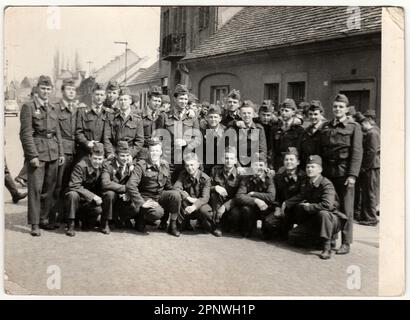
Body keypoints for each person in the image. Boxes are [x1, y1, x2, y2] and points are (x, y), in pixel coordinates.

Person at [19, 75, 65, 236]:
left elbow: (57, 131)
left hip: (52, 152)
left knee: (49, 189)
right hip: (37, 153)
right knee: (35, 190)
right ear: (37, 88)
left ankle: (44, 219)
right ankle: (34, 223)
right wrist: (32, 155)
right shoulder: (28, 107)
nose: (45, 91)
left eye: (48, 89)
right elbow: (25, 134)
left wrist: (60, 152)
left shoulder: (53, 107)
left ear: (51, 90)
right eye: (43, 88)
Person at [320, 94, 363, 254]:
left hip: (345, 174)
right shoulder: (327, 126)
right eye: (335, 107)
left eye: (340, 107)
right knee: (330, 206)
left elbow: (357, 153)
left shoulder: (354, 127)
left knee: (346, 208)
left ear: (346, 109)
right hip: (329, 173)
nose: (337, 109)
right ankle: (331, 238)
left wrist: (352, 175)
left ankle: (346, 242)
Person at [283, 155, 346, 260]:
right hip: (316, 220)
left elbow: (328, 205)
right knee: (293, 237)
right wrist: (286, 203)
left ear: (320, 169)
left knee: (323, 213)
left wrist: (309, 206)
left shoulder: (326, 184)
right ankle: (321, 239)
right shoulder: (307, 182)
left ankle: (327, 247)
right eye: (308, 167)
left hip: (332, 219)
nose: (309, 169)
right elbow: (301, 196)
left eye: (313, 167)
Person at [126, 139, 182, 236]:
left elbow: (168, 186)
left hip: (159, 195)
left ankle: (172, 225)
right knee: (157, 213)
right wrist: (142, 203)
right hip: (146, 197)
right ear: (148, 152)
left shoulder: (165, 165)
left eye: (157, 151)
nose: (154, 153)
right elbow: (131, 185)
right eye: (152, 151)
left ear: (161, 152)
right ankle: (141, 217)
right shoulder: (141, 165)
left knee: (175, 195)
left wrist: (178, 192)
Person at [50, 78, 80, 226]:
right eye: (68, 90)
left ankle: (64, 214)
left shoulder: (77, 109)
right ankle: (52, 216)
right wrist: (61, 152)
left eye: (73, 90)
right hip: (62, 150)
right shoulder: (55, 108)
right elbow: (56, 132)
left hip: (75, 151)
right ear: (62, 92)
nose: (71, 92)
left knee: (70, 183)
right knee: (58, 184)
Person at [262, 147, 306, 239]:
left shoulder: (303, 177)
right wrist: (277, 207)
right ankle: (283, 230)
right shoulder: (279, 176)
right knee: (269, 222)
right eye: (286, 159)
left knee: (295, 236)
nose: (288, 162)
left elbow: (303, 195)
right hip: (282, 209)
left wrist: (287, 203)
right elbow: (277, 195)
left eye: (291, 159)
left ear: (298, 162)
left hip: (297, 209)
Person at [160, 84, 200, 182]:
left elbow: (198, 138)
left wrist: (186, 142)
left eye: (186, 99)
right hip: (169, 158)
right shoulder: (165, 116)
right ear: (174, 99)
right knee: (167, 184)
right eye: (181, 98)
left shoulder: (192, 117)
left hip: (186, 159)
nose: (184, 102)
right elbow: (159, 138)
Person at [64, 142, 105, 237]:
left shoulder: (102, 165)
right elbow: (74, 185)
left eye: (100, 159)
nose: (97, 161)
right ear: (90, 156)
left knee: (98, 210)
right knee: (72, 194)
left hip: (88, 201)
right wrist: (93, 196)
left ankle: (85, 221)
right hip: (77, 199)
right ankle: (71, 224)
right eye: (95, 158)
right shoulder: (81, 166)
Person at [232, 153, 276, 238]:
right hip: (252, 207)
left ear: (265, 166)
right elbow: (239, 196)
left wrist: (253, 194)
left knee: (267, 234)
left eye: (261, 165)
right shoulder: (246, 178)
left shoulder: (269, 178)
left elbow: (271, 197)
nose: (258, 167)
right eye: (255, 164)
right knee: (245, 209)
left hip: (265, 208)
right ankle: (248, 229)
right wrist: (256, 200)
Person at [173, 153, 217, 236]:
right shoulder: (183, 174)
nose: (189, 168)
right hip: (187, 204)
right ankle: (185, 223)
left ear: (198, 164)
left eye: (192, 165)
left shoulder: (205, 178)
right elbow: (176, 187)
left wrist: (194, 206)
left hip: (200, 205)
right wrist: (188, 197)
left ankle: (202, 223)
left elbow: (205, 198)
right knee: (177, 197)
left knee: (205, 211)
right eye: (187, 165)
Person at [101, 141, 135, 234]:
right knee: (110, 194)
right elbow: (105, 183)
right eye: (122, 156)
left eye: (127, 155)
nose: (125, 158)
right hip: (110, 196)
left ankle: (123, 218)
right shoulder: (108, 165)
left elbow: (134, 183)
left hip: (122, 196)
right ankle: (105, 223)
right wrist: (125, 189)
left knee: (134, 198)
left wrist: (128, 191)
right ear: (116, 155)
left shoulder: (130, 166)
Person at [75, 82, 113, 162]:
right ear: (92, 95)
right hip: (85, 152)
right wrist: (86, 143)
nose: (99, 97)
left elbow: (108, 136)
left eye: (102, 95)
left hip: (101, 153)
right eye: (97, 94)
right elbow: (78, 132)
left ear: (105, 97)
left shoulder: (108, 113)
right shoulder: (82, 111)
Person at [104, 87, 144, 160]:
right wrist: (110, 153)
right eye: (121, 99)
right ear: (118, 101)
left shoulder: (137, 120)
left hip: (130, 155)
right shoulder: (111, 117)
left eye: (125, 99)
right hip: (114, 154)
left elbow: (140, 141)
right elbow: (107, 138)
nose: (123, 102)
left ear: (130, 101)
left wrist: (131, 154)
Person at [209, 146, 241, 237]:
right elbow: (207, 187)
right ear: (223, 159)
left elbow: (240, 195)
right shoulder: (215, 170)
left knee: (236, 214)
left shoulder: (240, 174)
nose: (229, 161)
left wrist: (225, 206)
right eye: (226, 158)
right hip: (218, 201)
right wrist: (215, 187)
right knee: (214, 195)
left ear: (235, 161)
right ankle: (218, 225)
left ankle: (231, 225)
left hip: (233, 203)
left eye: (231, 158)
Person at [356, 112, 380, 226]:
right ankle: (366, 216)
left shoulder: (372, 133)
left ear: (366, 122)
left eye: (362, 125)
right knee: (367, 192)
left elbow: (371, 152)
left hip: (371, 167)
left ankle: (371, 218)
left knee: (370, 192)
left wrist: (365, 167)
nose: (362, 128)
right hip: (371, 167)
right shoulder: (373, 132)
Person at [228, 100, 267, 168]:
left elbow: (262, 151)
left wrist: (255, 164)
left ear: (253, 114)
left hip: (254, 164)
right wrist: (238, 166)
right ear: (240, 114)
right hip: (237, 165)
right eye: (244, 113)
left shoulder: (259, 129)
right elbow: (231, 150)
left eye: (249, 113)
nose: (246, 115)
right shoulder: (234, 129)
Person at [272, 98, 305, 171]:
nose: (283, 113)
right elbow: (272, 150)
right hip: (278, 164)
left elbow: (300, 151)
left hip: (292, 165)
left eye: (286, 111)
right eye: (282, 110)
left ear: (293, 112)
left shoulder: (299, 130)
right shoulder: (275, 128)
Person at [299, 100, 326, 168]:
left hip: (322, 168)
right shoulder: (305, 132)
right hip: (307, 167)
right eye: (310, 114)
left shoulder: (325, 130)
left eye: (315, 114)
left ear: (321, 114)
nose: (313, 117)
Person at [200, 104, 227, 174]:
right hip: (205, 165)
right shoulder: (202, 131)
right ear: (206, 118)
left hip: (221, 165)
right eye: (210, 117)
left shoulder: (225, 131)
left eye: (215, 117)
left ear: (220, 118)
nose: (213, 119)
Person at [140, 86, 164, 158]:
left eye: (159, 101)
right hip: (143, 152)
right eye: (155, 101)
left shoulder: (162, 116)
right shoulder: (139, 115)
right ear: (148, 100)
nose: (157, 103)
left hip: (158, 152)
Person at [254, 100, 278, 169]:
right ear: (259, 114)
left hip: (272, 154)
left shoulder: (275, 124)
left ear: (272, 115)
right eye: (263, 115)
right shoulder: (255, 123)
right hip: (258, 155)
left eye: (268, 115)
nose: (266, 118)